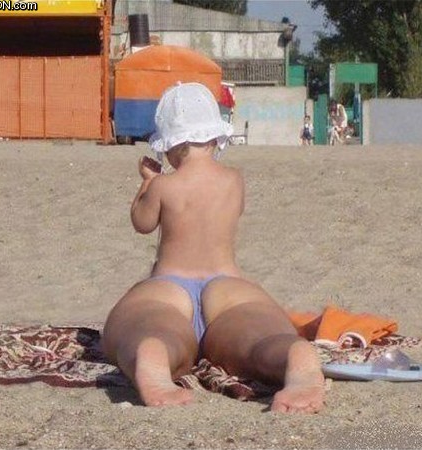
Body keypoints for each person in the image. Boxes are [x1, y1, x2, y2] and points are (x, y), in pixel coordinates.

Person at [101, 83, 325, 414]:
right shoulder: (234, 179)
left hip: (169, 287)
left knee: (148, 328)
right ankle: (291, 355)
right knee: (257, 340)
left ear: (170, 145)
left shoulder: (164, 185)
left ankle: (153, 352)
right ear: (215, 136)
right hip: (229, 287)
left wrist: (147, 183)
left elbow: (142, 222)